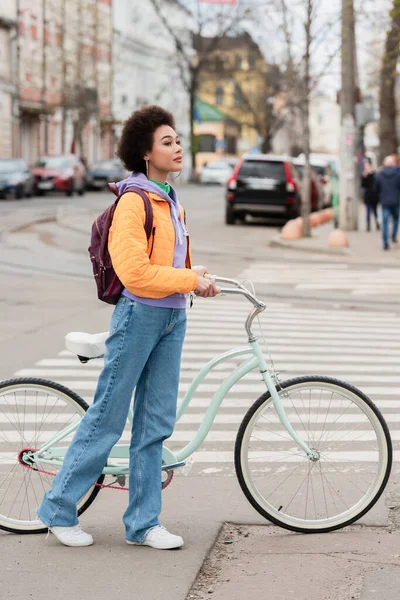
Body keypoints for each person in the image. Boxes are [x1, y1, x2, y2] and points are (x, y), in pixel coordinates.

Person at [37, 105, 219, 549]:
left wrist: (197, 278)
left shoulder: (169, 198)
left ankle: (143, 523)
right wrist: (188, 280)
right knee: (107, 418)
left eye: (178, 140)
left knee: (155, 423)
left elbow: (169, 262)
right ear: (144, 152)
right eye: (167, 142)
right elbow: (135, 272)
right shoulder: (134, 201)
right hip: (139, 315)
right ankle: (58, 509)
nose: (178, 148)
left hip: (173, 316)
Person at [375, 154, 400, 250]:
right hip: (395, 201)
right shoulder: (398, 174)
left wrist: (380, 196)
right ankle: (393, 235)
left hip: (385, 201)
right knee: (395, 220)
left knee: (385, 223)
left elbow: (376, 188)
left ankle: (385, 243)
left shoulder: (380, 175)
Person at [361, 159, 380, 232]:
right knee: (368, 213)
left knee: (375, 212)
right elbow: (363, 185)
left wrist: (370, 175)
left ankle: (377, 223)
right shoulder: (364, 175)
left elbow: (375, 184)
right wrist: (364, 177)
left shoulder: (374, 174)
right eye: (365, 166)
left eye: (367, 166)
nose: (366, 168)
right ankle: (368, 226)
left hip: (374, 197)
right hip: (368, 197)